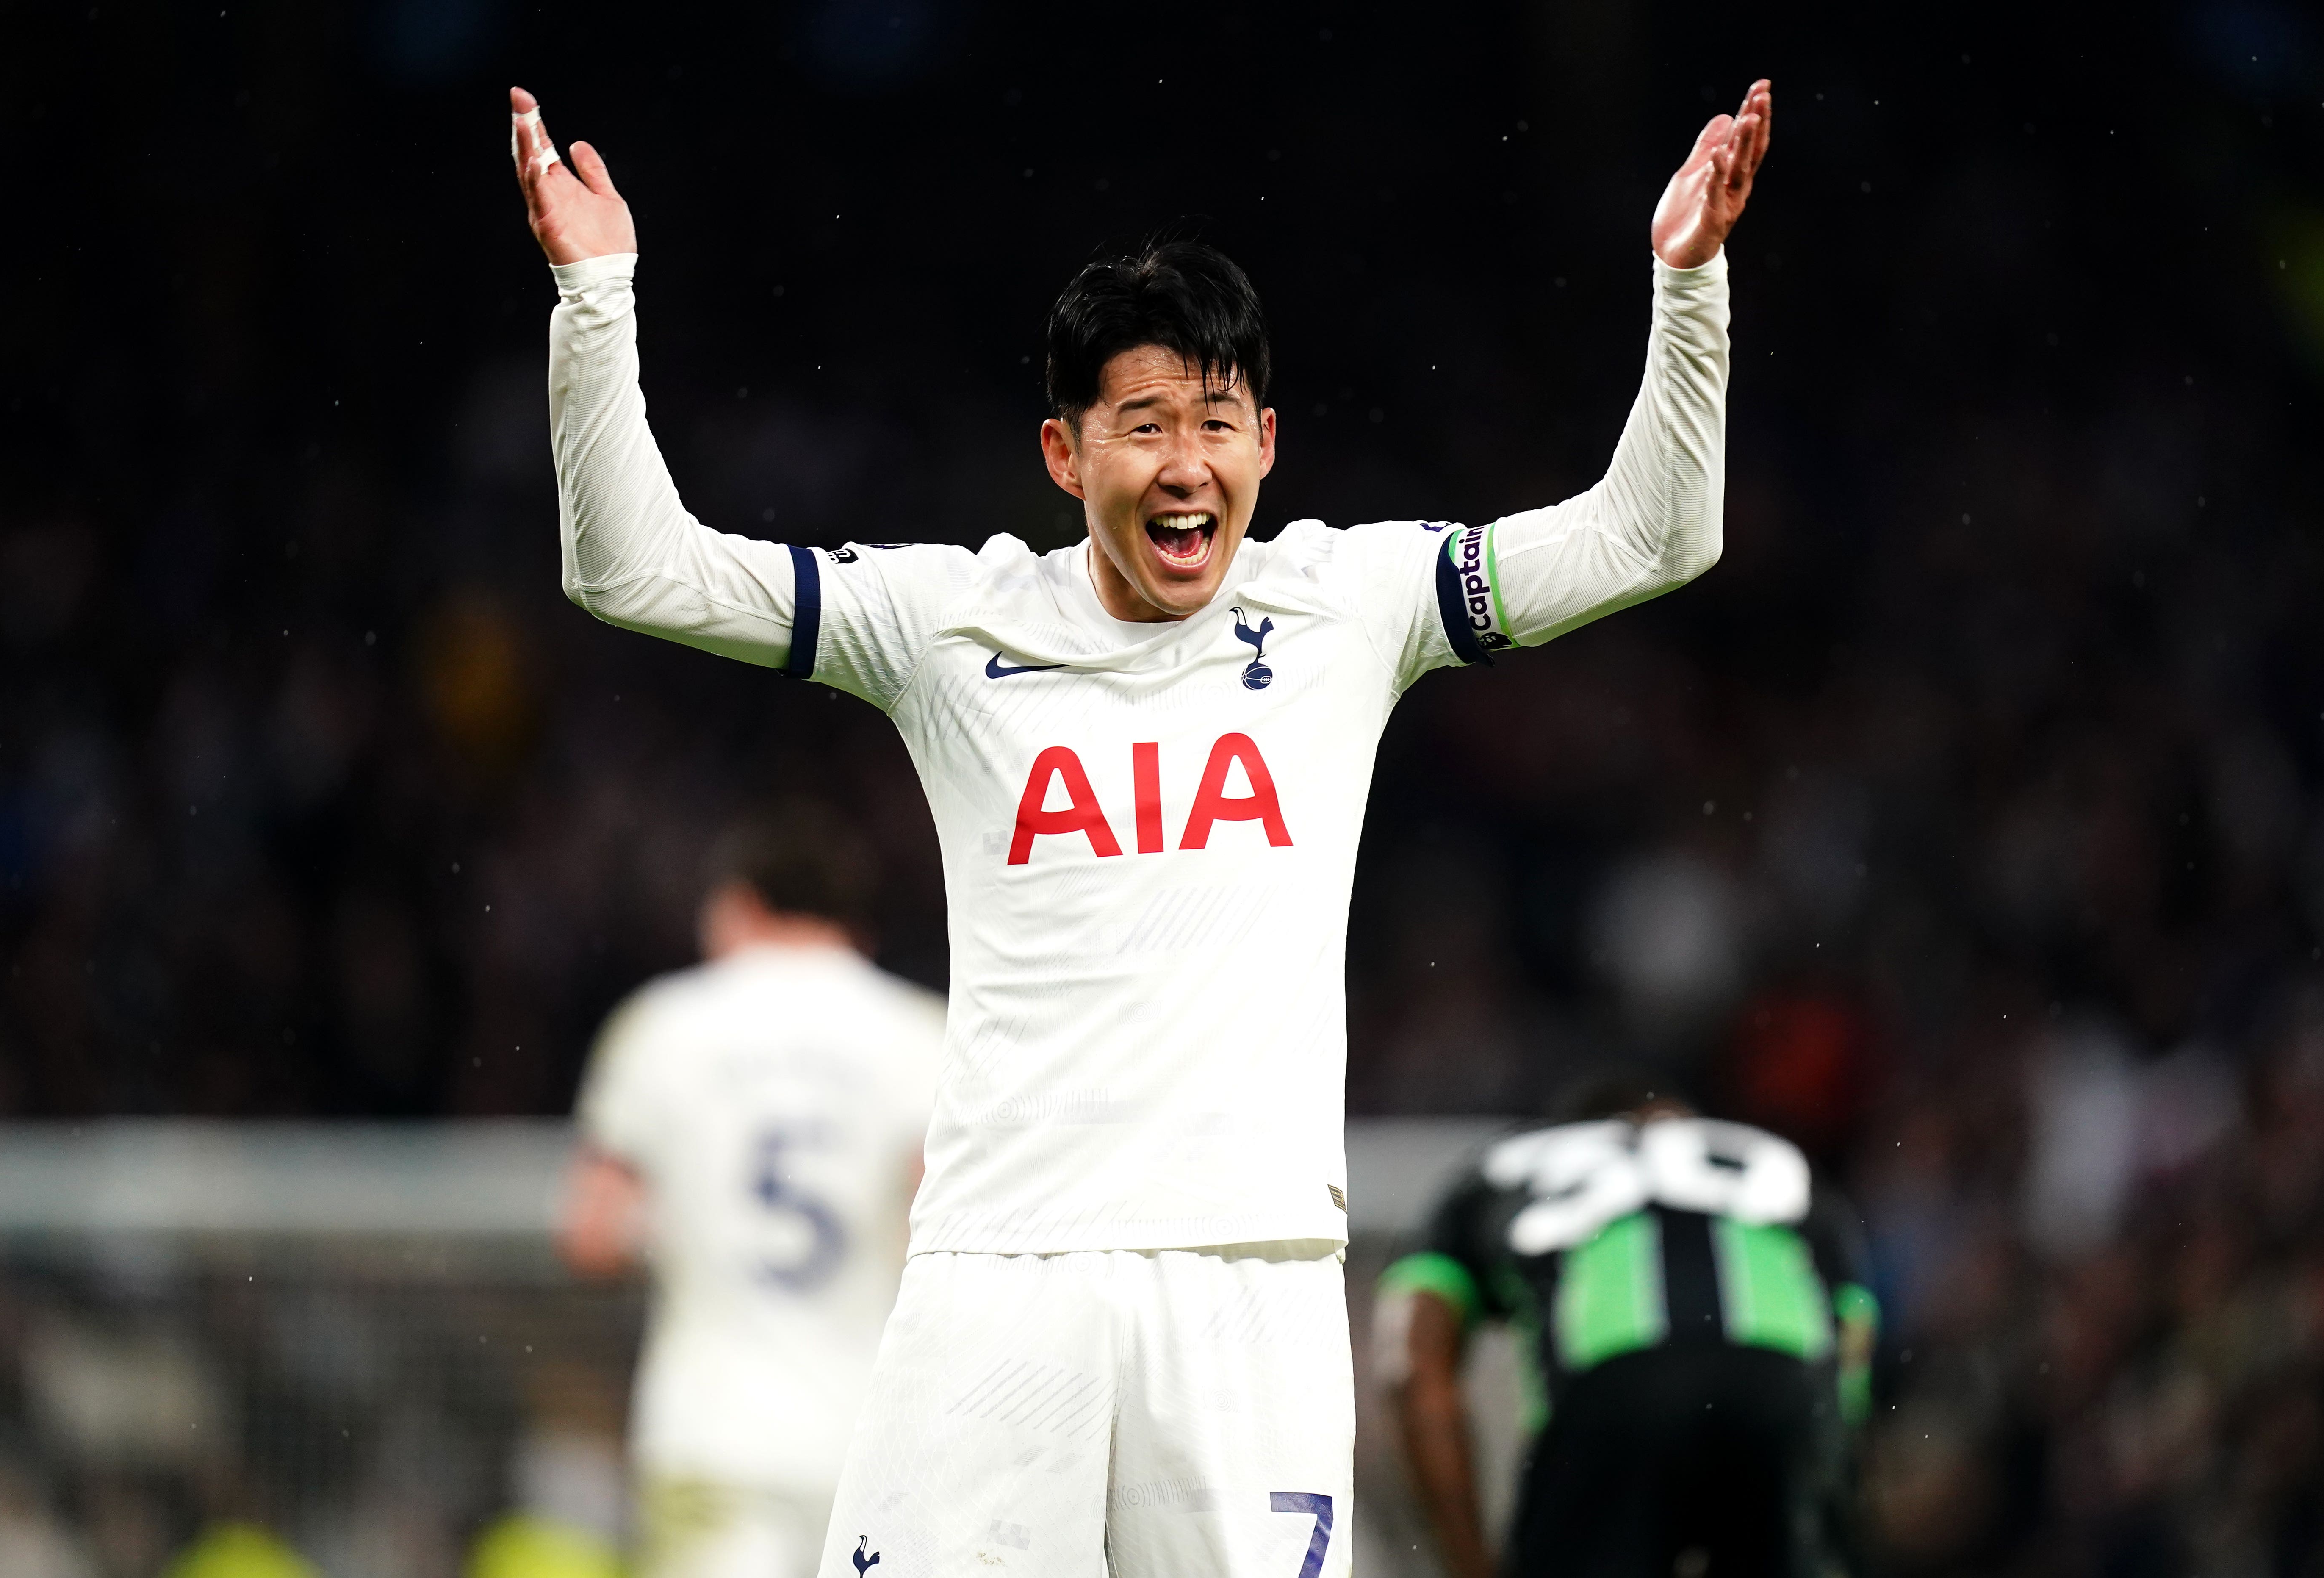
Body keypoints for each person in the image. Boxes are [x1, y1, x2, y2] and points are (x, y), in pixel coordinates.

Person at [508, 73, 1770, 1577]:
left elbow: (1650, 533)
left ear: (1265, 444)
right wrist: (596, 296)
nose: (1184, 461)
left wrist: (1683, 280)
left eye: (1215, 422)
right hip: (996, 1269)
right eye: (1143, 423)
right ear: (1063, 454)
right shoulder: (943, 621)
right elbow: (635, 571)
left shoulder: (1349, 603)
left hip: (1246, 1272)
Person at [558, 804, 944, 1578]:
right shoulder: (919, 1036)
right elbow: (940, 1238)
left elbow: (591, 1234)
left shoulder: (663, 1027)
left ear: (738, 905)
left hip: (712, 1431)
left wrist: (680, 1232)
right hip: (869, 1440)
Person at [1377, 1077, 1878, 1578]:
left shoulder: (1506, 1164)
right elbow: (1853, 1336)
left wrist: (1469, 1564)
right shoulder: (1773, 1156)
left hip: (1613, 1387)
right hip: (1789, 1383)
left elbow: (1411, 1365)